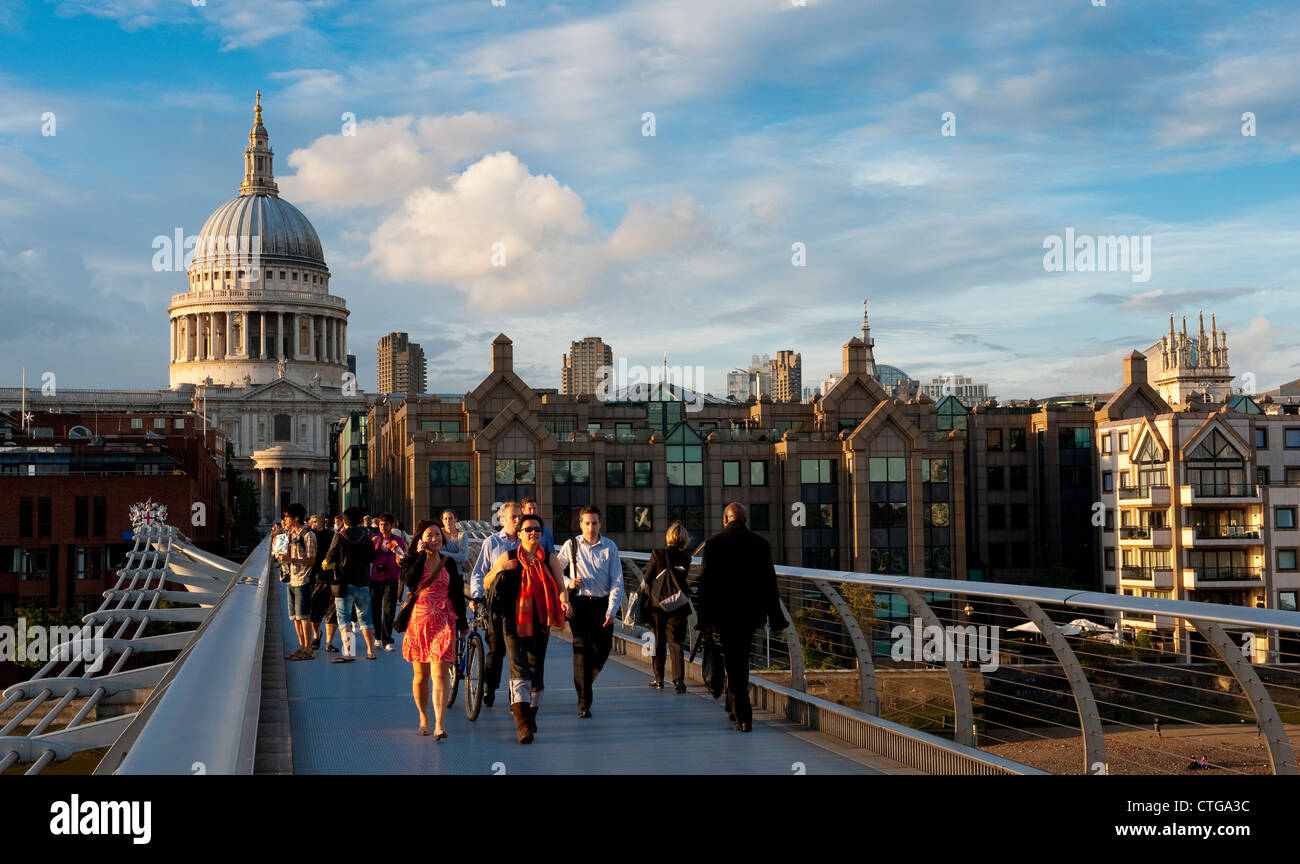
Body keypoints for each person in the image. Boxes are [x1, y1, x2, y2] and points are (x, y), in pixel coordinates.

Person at [695, 501, 788, 733]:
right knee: (740, 662)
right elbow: (770, 585)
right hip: (749, 616)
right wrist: (776, 619)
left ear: (726, 520)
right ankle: (735, 708)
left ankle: (743, 717)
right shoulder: (760, 544)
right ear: (745, 520)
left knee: (733, 663)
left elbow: (705, 585)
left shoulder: (714, 545)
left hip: (723, 616)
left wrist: (704, 621)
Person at [485, 512, 570, 743]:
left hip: (540, 621)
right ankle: (521, 723)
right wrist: (499, 568)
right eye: (528, 529)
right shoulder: (508, 555)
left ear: (542, 535)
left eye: (537, 530)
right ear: (520, 533)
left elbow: (561, 586)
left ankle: (531, 716)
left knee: (536, 671)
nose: (533, 533)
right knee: (518, 668)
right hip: (512, 620)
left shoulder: (549, 559)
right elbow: (486, 582)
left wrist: (564, 601)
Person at [400, 520, 467, 739]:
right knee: (421, 675)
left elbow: (456, 594)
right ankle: (423, 718)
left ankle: (439, 723)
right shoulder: (411, 560)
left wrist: (463, 624)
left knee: (440, 673)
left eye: (438, 535)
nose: (435, 539)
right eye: (429, 535)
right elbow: (410, 581)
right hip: (419, 621)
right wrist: (420, 556)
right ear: (420, 539)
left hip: (444, 620)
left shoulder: (448, 562)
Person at [556, 505, 622, 717]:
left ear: (600, 524)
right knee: (581, 651)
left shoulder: (609, 547)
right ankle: (584, 702)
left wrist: (612, 610)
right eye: (587, 523)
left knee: (601, 651)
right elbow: (555, 569)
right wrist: (568, 582)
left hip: (602, 605)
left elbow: (617, 581)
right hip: (580, 605)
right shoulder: (572, 545)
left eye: (594, 523)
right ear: (580, 524)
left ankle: (585, 684)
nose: (591, 527)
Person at [468, 501, 522, 707]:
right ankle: (489, 687)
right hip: (496, 604)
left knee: (518, 652)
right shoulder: (491, 543)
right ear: (502, 520)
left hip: (520, 604)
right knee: (496, 650)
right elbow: (479, 573)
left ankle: (515, 696)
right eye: (513, 517)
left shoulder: (526, 541)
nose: (517, 520)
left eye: (519, 516)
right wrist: (477, 596)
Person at [643, 521, 693, 693]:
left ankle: (659, 680)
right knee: (676, 642)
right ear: (684, 538)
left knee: (658, 641)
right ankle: (679, 681)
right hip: (678, 605)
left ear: (668, 536)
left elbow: (647, 577)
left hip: (658, 606)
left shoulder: (658, 554)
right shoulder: (687, 558)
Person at [324, 507, 379, 662]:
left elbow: (329, 558)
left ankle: (349, 652)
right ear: (360, 520)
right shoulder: (366, 536)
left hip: (343, 583)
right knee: (365, 618)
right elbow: (372, 558)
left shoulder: (339, 536)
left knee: (344, 618)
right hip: (363, 581)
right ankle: (370, 651)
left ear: (344, 521)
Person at [277, 503, 317, 661]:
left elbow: (312, 559)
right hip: (291, 579)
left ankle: (308, 649)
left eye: (287, 516)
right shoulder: (289, 534)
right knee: (294, 616)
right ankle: (302, 647)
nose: (284, 519)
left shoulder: (308, 535)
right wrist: (280, 551)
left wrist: (291, 559)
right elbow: (283, 554)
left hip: (303, 579)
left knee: (303, 616)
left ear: (296, 518)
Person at [371, 512, 407, 652]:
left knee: (389, 609)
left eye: (386, 524)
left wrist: (397, 552)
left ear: (392, 526)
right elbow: (368, 557)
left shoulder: (398, 539)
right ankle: (377, 637)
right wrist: (373, 545)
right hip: (375, 578)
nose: (383, 527)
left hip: (391, 577)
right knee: (375, 609)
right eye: (380, 524)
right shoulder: (375, 539)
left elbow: (403, 557)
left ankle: (387, 638)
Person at [307, 513, 339, 652]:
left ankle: (328, 642)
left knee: (332, 611)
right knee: (315, 611)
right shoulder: (310, 536)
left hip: (333, 577)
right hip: (317, 578)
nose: (318, 524)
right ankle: (317, 633)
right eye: (314, 521)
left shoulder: (336, 537)